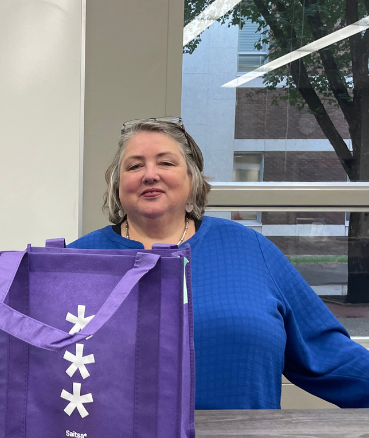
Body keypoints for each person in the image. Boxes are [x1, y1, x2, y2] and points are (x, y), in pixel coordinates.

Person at [69, 117, 369, 409]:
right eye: (135, 166)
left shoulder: (249, 249)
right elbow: (36, 364)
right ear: (117, 184)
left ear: (192, 178)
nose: (150, 174)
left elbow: (326, 353)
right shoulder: (74, 261)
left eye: (166, 162)